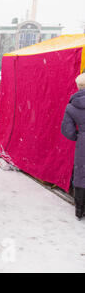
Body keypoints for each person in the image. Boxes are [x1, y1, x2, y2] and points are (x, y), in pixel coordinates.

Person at [61, 71, 85, 220]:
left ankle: (79, 209)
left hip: (83, 142)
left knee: (81, 174)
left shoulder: (71, 106)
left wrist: (79, 136)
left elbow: (67, 130)